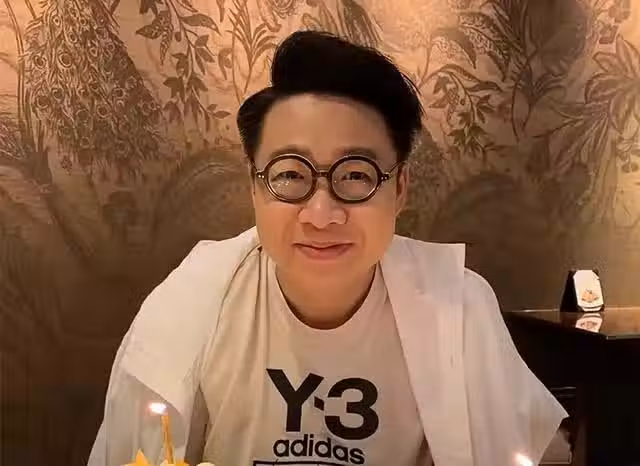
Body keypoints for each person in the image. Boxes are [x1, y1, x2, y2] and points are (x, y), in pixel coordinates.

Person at [89, 31, 567, 466]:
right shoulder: (190, 302)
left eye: (356, 174)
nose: (321, 214)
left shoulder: (458, 307)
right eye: (290, 175)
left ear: (400, 188)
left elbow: (530, 453)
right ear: (254, 186)